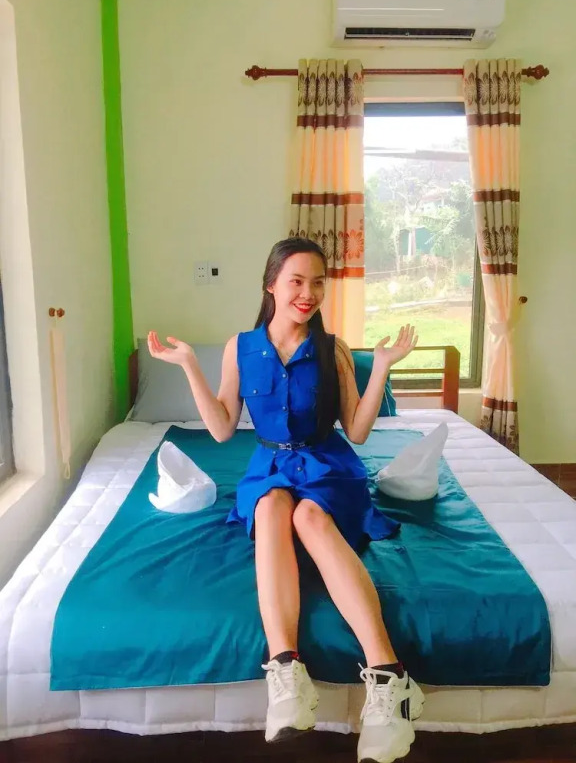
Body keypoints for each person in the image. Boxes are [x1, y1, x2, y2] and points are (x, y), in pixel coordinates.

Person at [148, 236, 423, 763]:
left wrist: (383, 365)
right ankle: (287, 671)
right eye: (296, 281)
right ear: (271, 285)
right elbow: (222, 429)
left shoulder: (332, 348)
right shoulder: (240, 347)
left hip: (328, 464)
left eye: (318, 282)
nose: (308, 293)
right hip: (270, 465)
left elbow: (357, 430)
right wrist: (188, 364)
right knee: (272, 506)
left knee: (311, 518)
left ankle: (389, 676)